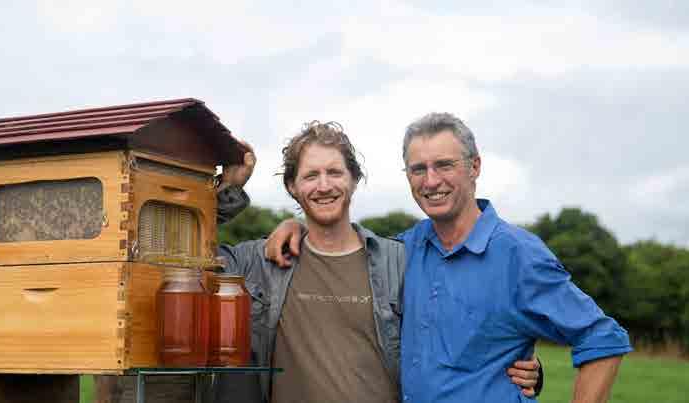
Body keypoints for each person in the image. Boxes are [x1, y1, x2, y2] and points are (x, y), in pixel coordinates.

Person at [265, 113, 632, 402]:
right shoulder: (404, 250)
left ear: (474, 167)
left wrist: (533, 374)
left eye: (444, 165)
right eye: (418, 169)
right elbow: (343, 245)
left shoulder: (518, 255)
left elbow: (603, 339)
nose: (430, 181)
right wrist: (296, 225)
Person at [212, 121, 541, 403]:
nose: (323, 185)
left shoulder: (399, 260)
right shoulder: (260, 262)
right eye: (311, 175)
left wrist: (522, 365)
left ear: (354, 180)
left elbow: (466, 325)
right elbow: (184, 255)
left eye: (334, 172)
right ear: (292, 187)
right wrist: (230, 188)